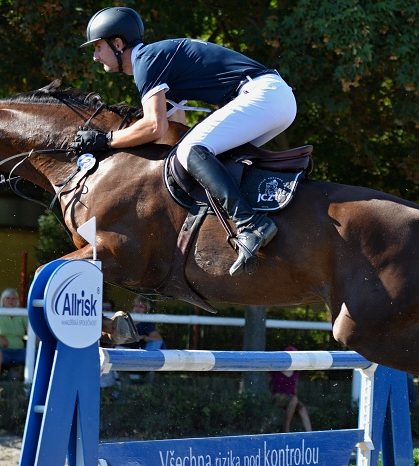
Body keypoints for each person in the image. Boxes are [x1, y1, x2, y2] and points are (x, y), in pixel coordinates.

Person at [74, 7, 297, 276]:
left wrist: (105, 140)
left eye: (98, 47)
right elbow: (173, 128)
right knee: (202, 157)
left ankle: (251, 224)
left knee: (192, 150)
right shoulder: (154, 61)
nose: (96, 57)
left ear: (118, 44)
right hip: (275, 100)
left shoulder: (145, 61)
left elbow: (154, 127)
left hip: (263, 96)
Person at [269, 346, 312, 433]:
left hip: (292, 399)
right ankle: (286, 429)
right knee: (294, 399)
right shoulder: (275, 370)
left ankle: (310, 434)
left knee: (301, 408)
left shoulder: (296, 372)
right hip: (278, 396)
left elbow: (295, 388)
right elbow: (268, 383)